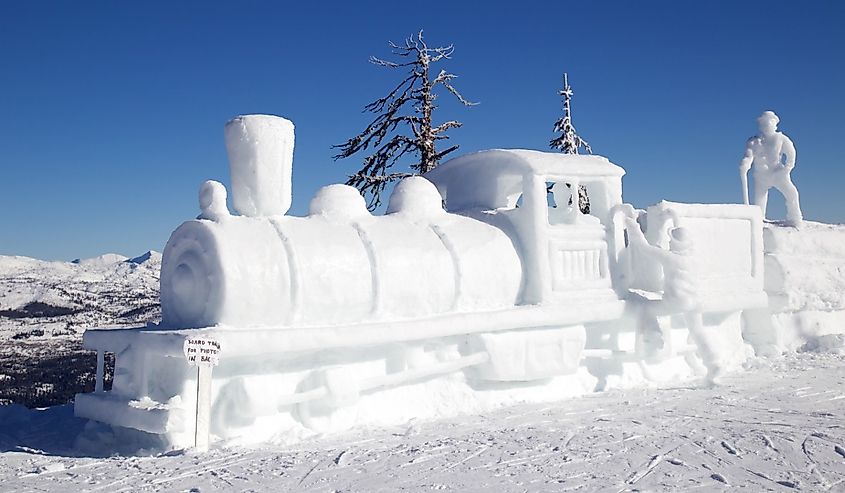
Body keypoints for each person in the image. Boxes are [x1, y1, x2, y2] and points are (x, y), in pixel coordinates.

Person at [740, 111, 803, 227]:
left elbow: (791, 153)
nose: (767, 125)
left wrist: (787, 168)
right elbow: (749, 155)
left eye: (770, 122)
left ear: (775, 124)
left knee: (792, 193)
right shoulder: (754, 142)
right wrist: (745, 164)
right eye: (764, 123)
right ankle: (759, 220)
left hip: (778, 173)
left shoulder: (781, 139)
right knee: (760, 200)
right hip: (761, 175)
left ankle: (795, 218)